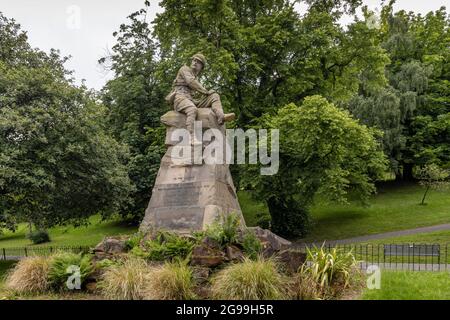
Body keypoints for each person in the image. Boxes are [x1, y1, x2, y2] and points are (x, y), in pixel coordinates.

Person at [166, 53, 225, 144]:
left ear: (202, 67)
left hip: (190, 100)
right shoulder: (184, 69)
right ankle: (191, 136)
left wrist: (206, 95)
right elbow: (191, 82)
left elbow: (195, 89)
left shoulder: (196, 76)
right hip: (180, 98)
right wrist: (205, 91)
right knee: (192, 109)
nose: (195, 62)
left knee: (214, 96)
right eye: (194, 60)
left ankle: (220, 115)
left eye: (198, 62)